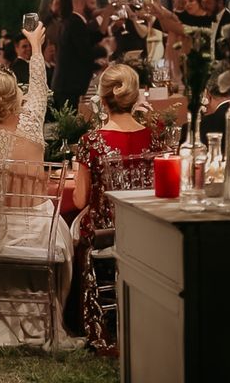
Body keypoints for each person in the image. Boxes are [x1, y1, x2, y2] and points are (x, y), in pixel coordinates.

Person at [0, 22, 82, 349]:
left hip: (3, 234)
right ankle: (43, 320)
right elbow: (41, 87)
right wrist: (37, 47)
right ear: (18, 96)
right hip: (44, 232)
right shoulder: (32, 125)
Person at [72, 64, 163, 353]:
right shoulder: (153, 138)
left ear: (101, 98)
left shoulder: (91, 142)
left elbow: (78, 200)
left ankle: (98, 321)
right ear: (135, 97)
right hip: (147, 229)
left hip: (106, 233)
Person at [52, 0, 105, 109]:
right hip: (68, 86)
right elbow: (85, 52)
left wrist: (105, 17)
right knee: (70, 125)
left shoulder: (75, 22)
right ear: (81, 4)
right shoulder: (75, 23)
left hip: (67, 86)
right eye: (92, 3)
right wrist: (101, 61)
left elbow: (90, 39)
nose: (95, 7)